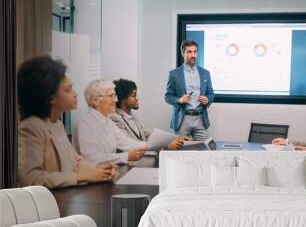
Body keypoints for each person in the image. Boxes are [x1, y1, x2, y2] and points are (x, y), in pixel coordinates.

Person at [18, 56, 116, 188]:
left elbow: (75, 161)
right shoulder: (31, 127)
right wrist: (83, 176)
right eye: (68, 90)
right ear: (51, 97)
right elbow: (30, 178)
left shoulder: (57, 124)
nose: (75, 94)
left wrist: (101, 170)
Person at [73, 79, 147, 165]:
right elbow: (91, 158)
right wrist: (126, 156)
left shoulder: (108, 122)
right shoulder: (84, 124)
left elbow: (126, 143)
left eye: (114, 96)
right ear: (95, 101)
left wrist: (152, 145)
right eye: (111, 96)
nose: (115, 100)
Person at [110, 78, 186, 150]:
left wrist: (175, 138)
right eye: (134, 95)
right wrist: (165, 146)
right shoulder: (115, 118)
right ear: (123, 99)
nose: (137, 98)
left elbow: (145, 135)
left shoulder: (131, 116)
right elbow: (128, 144)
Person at [165, 39, 215, 141]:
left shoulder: (205, 73)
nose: (193, 55)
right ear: (183, 53)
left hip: (200, 118)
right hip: (182, 118)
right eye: (189, 52)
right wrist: (179, 100)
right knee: (180, 153)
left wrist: (208, 99)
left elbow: (211, 93)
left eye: (195, 51)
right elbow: (168, 96)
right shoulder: (174, 74)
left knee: (204, 151)